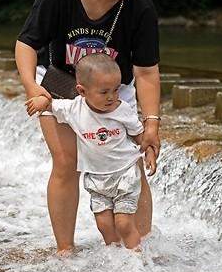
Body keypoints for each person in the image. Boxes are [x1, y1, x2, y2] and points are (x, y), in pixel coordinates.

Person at [15, 0, 161, 254]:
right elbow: (26, 44)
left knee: (129, 162)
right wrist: (29, 86)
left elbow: (146, 73)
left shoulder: (139, 6)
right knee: (66, 163)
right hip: (60, 84)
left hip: (114, 91)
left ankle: (139, 251)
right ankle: (65, 251)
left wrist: (152, 122)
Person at [26, 53, 157, 250]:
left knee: (123, 223)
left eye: (116, 90)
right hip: (96, 178)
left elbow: (139, 135)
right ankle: (116, 256)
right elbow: (51, 105)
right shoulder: (73, 109)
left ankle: (137, 258)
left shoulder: (121, 110)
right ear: (82, 91)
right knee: (104, 225)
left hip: (125, 174)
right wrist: (40, 101)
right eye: (104, 92)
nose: (112, 97)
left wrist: (149, 153)